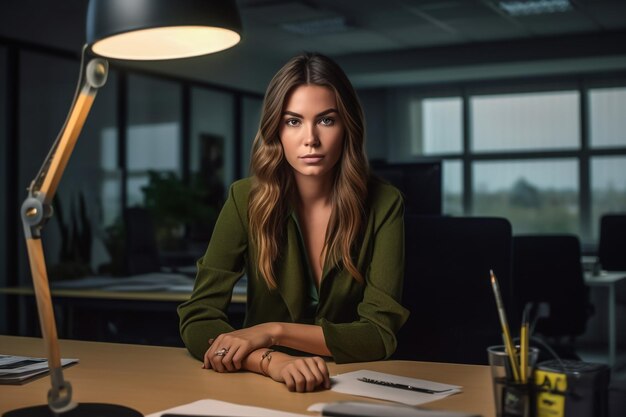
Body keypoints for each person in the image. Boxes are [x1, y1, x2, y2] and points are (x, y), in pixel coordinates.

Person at [178, 52, 409, 393]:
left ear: (348, 127)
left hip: (349, 387)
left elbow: (378, 335)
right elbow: (198, 317)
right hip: (259, 385)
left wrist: (273, 331)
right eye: (293, 121)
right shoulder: (245, 198)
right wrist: (270, 361)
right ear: (276, 129)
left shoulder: (384, 203)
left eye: (327, 120)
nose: (310, 138)